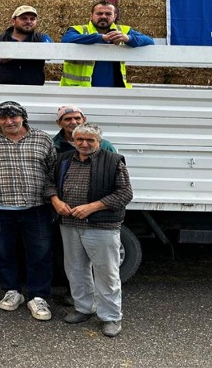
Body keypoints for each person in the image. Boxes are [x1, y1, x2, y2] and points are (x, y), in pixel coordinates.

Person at [47, 123, 133, 338]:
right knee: (76, 269)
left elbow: (124, 193)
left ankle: (111, 316)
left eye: (90, 140)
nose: (84, 144)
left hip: (102, 225)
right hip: (69, 224)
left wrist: (92, 207)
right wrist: (56, 201)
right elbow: (49, 184)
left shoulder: (113, 161)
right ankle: (83, 308)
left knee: (106, 272)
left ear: (99, 141)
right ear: (74, 141)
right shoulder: (64, 159)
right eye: (80, 140)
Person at [0, 101, 56, 321]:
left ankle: (39, 296)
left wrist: (53, 199)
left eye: (14, 117)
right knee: (2, 252)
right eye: (3, 118)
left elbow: (53, 172)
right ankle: (11, 291)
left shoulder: (42, 139)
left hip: (36, 207)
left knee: (40, 253)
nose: (9, 122)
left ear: (23, 117)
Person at [60, 0, 154, 88]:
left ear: (115, 16)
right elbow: (66, 39)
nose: (103, 16)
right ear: (91, 15)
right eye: (99, 13)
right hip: (79, 91)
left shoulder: (124, 31)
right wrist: (100, 37)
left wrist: (129, 38)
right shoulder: (78, 30)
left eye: (108, 14)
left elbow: (150, 41)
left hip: (116, 91)